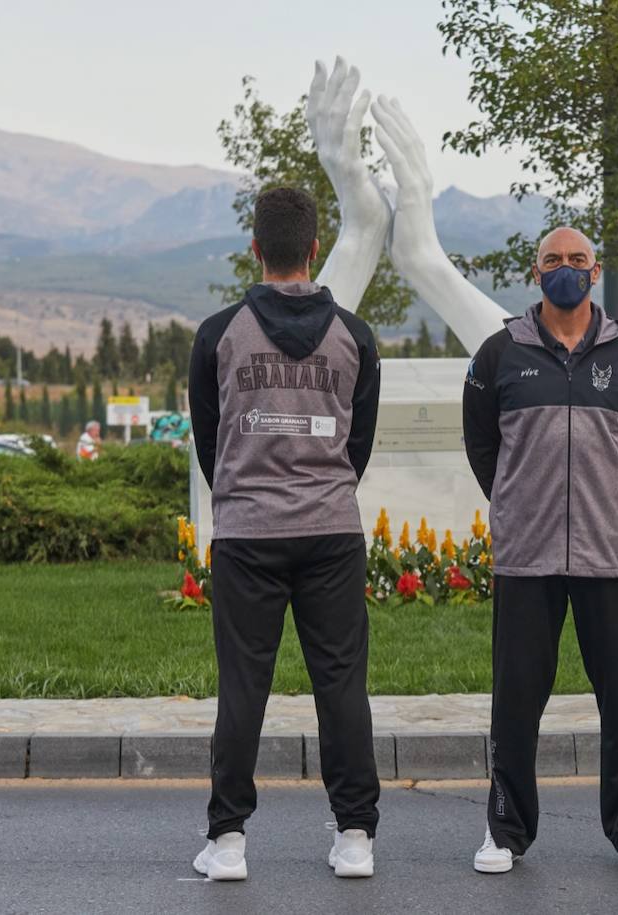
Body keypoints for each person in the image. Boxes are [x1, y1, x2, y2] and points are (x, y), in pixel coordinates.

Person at [187, 185, 382, 881]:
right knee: (340, 684)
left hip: (247, 533)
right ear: (314, 248)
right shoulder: (356, 337)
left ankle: (229, 838)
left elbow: (208, 439)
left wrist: (247, 492)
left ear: (255, 248)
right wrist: (322, 488)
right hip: (332, 529)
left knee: (243, 684)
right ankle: (355, 834)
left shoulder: (218, 333)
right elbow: (358, 443)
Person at [461, 226, 618, 875]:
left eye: (578, 260)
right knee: (516, 700)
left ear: (597, 270)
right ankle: (505, 828)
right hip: (527, 554)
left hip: (610, 555)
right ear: (535, 271)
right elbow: (481, 448)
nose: (566, 269)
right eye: (554, 260)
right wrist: (520, 501)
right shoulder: (499, 355)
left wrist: (609, 500)